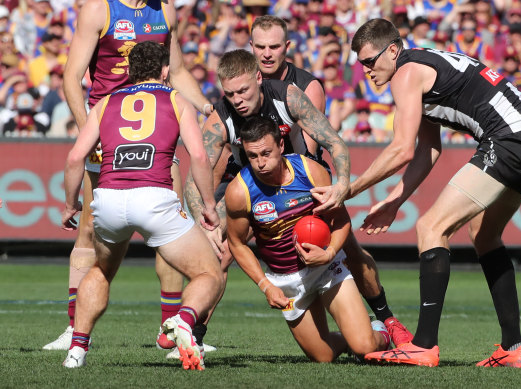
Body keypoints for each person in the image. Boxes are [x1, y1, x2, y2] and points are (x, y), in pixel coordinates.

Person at [312, 18, 521, 367]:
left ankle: (423, 345)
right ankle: (513, 348)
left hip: (509, 139)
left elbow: (401, 149)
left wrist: (345, 189)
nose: (367, 71)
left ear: (392, 50)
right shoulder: (420, 67)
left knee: (430, 228)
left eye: (370, 61)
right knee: (483, 236)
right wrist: (396, 200)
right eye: (361, 64)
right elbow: (428, 149)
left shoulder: (406, 73)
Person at [189, 17, 413, 348]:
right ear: (250, 50)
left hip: (298, 179)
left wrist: (341, 185)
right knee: (213, 249)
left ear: (285, 49)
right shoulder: (226, 107)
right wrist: (205, 217)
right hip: (250, 181)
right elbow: (200, 169)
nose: (267, 53)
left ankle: (386, 318)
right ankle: (192, 334)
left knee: (346, 245)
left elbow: (323, 148)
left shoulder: (298, 91)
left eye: (274, 46)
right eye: (260, 47)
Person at [44, 0, 214, 357]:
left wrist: (205, 106)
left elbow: (178, 71)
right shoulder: (98, 9)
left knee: (170, 227)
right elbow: (72, 77)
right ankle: (73, 326)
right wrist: (88, 131)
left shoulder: (165, 11)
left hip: (157, 131)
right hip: (110, 128)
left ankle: (170, 332)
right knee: (88, 230)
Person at [226, 117, 390, 362]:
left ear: (281, 145)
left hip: (326, 266)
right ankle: (350, 336)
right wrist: (265, 285)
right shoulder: (239, 192)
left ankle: (381, 333)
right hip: (285, 279)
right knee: (323, 357)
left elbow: (342, 220)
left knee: (365, 347)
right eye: (252, 156)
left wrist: (330, 252)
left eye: (266, 153)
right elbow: (237, 243)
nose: (260, 163)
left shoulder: (311, 172)